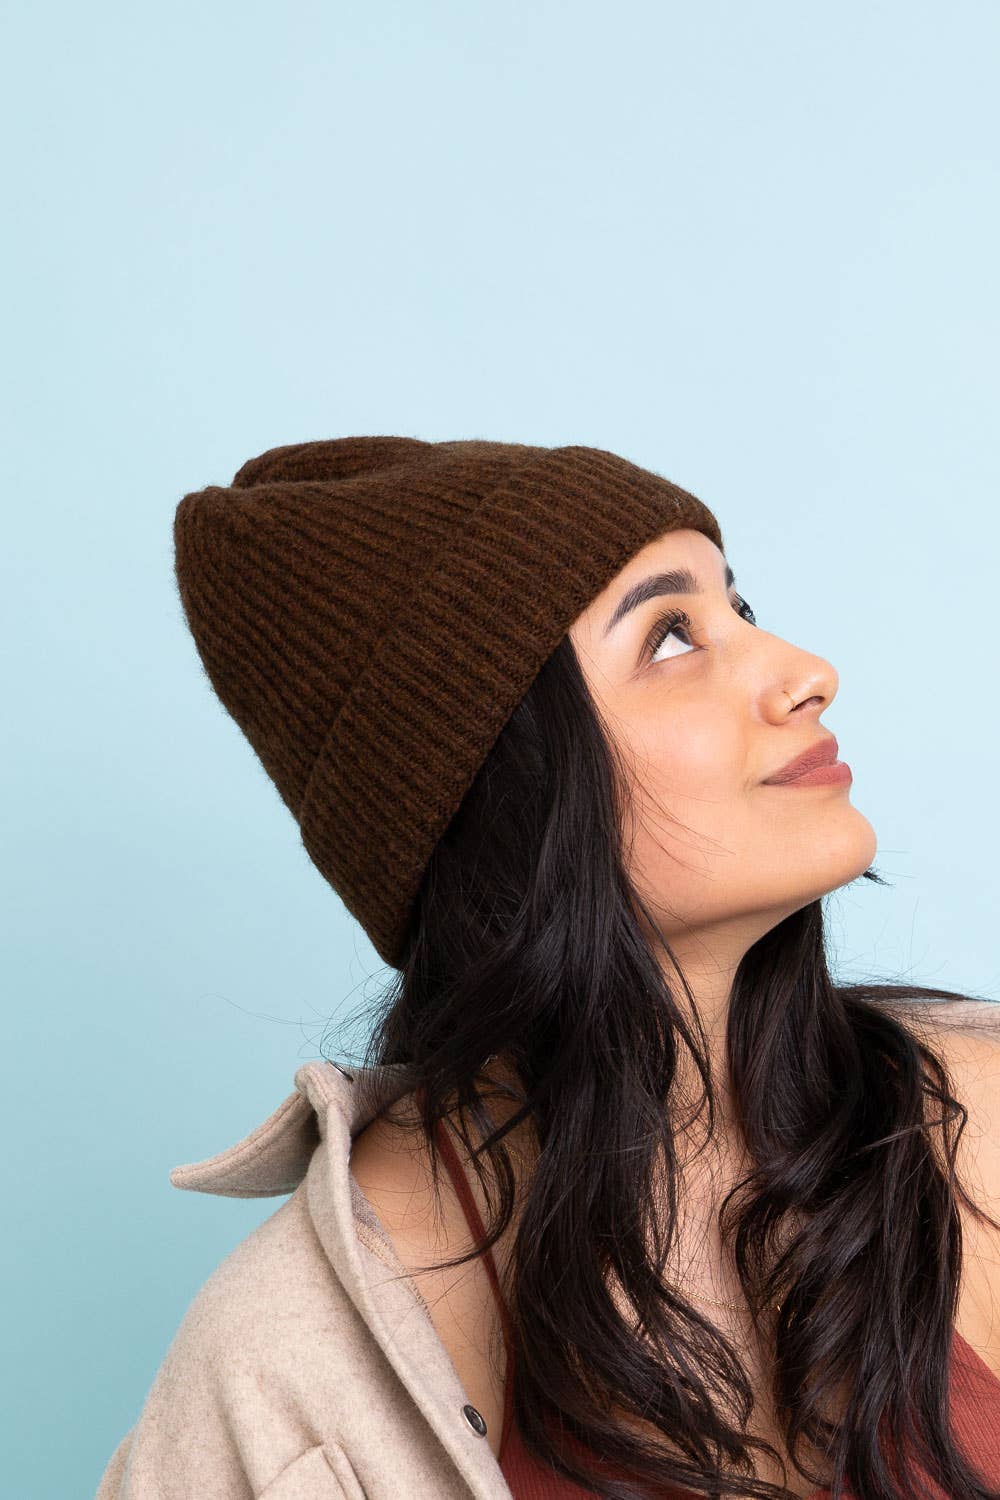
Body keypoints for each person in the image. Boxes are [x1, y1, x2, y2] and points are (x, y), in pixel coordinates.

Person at [96, 437, 1000, 1500]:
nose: (804, 674)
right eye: (670, 638)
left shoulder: (969, 1115)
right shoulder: (282, 1367)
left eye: (738, 609)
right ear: (504, 787)